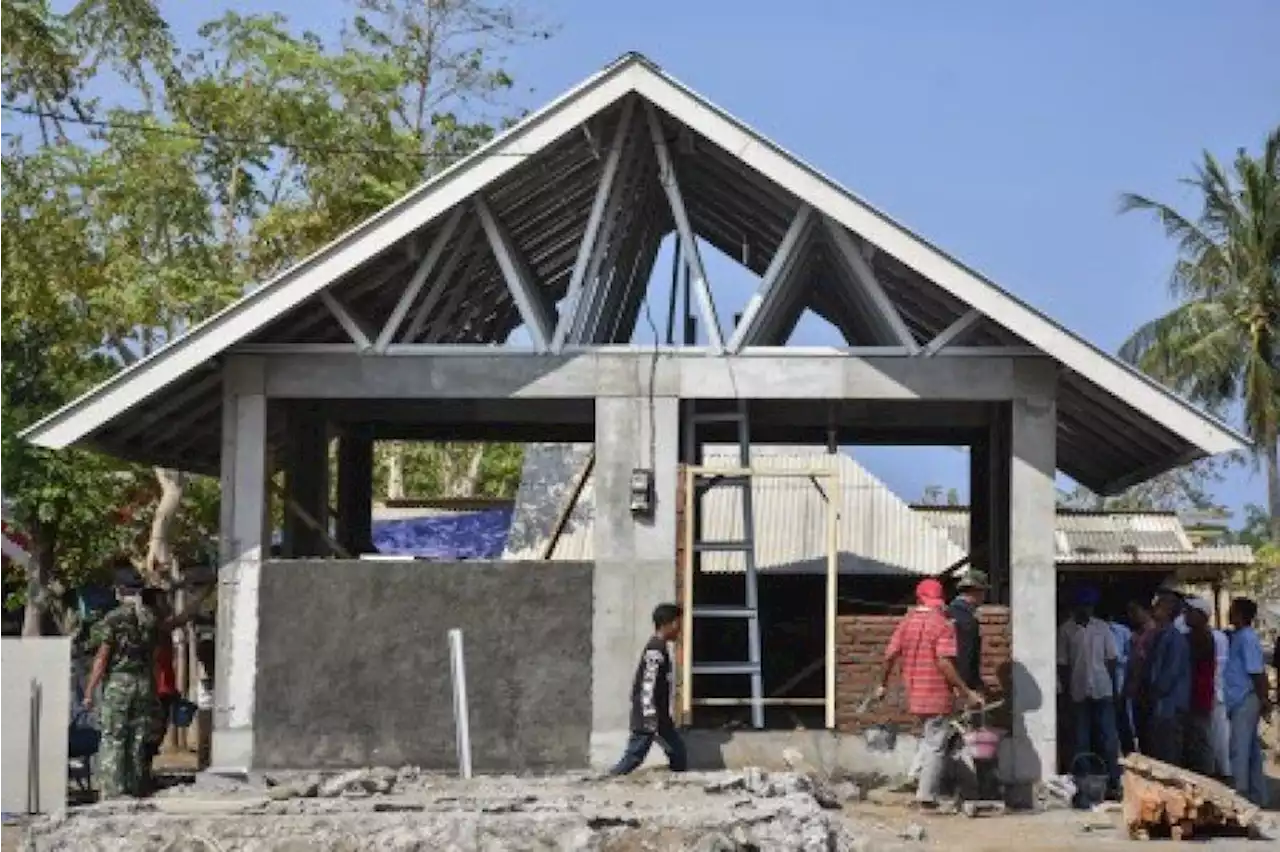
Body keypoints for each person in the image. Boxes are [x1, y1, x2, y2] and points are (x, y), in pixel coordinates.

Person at [878, 578, 983, 810]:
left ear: (918, 598)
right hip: (937, 695)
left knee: (930, 739)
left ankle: (917, 779)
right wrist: (966, 691)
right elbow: (944, 663)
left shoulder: (906, 623)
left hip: (915, 694)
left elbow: (889, 655)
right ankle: (926, 795)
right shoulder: (942, 624)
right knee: (936, 744)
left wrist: (882, 685)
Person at [609, 603, 686, 775]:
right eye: (678, 624)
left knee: (678, 752)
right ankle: (611, 778)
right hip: (649, 715)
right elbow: (647, 684)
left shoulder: (659, 648)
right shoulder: (655, 651)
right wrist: (650, 715)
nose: (680, 630)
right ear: (671, 623)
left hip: (658, 715)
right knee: (634, 756)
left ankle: (678, 779)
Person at [1056, 586, 1120, 793]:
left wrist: (1114, 687)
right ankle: (1083, 782)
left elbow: (1111, 659)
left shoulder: (1102, 628)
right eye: (1083, 606)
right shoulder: (1066, 630)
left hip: (1103, 689)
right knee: (1080, 739)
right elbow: (1063, 664)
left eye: (1090, 606)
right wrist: (1066, 692)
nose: (1087, 610)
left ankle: (1112, 780)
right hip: (1078, 690)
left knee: (1108, 738)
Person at [1223, 598, 1270, 805]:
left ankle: (1241, 794)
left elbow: (1257, 672)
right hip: (1240, 699)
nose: (1228, 614)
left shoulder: (1247, 638)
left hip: (1245, 698)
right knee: (1250, 750)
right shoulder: (1239, 637)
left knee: (1239, 748)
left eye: (1232, 611)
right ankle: (1259, 795)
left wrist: (1263, 699)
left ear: (1241, 615)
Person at [1145, 590, 1190, 767]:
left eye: (1160, 605)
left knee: (1168, 752)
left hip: (1170, 705)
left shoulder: (1174, 638)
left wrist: (1155, 690)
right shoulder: (1161, 635)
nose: (1155, 608)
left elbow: (1170, 673)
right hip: (1161, 705)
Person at [1181, 597, 1217, 776]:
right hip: (1192, 694)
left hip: (1199, 695)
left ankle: (1205, 776)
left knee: (1200, 739)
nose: (1186, 615)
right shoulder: (1191, 636)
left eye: (1190, 612)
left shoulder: (1201, 637)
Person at [1124, 600, 1157, 754]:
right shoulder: (1136, 634)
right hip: (1136, 688)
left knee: (1149, 733)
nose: (1132, 616)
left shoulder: (1153, 633)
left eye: (1135, 611)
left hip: (1146, 688)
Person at [948, 570, 989, 694]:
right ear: (976, 591)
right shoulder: (966, 618)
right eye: (983, 592)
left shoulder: (951, 611)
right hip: (961, 683)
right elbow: (965, 653)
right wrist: (966, 687)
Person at [1107, 612, 1135, 755]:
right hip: (1104, 682)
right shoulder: (1096, 631)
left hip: (1120, 678)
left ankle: (1129, 753)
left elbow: (1131, 657)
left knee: (1123, 718)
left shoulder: (1122, 631)